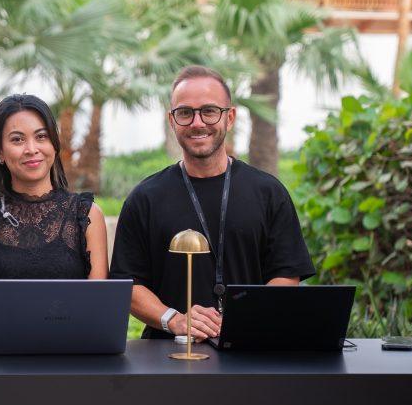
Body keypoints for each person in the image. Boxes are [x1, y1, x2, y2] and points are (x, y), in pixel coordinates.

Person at [110, 66, 315, 341]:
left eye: (209, 110)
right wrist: (175, 320)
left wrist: (244, 318)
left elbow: (287, 274)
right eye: (185, 113)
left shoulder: (268, 192)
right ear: (172, 121)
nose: (197, 122)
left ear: (229, 118)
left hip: (249, 351)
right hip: (166, 356)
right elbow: (128, 285)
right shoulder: (144, 198)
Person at [0, 94, 109, 339]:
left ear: (54, 145)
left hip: (70, 363)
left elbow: (98, 310)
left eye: (41, 137)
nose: (31, 149)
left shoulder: (86, 215)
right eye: (17, 139)